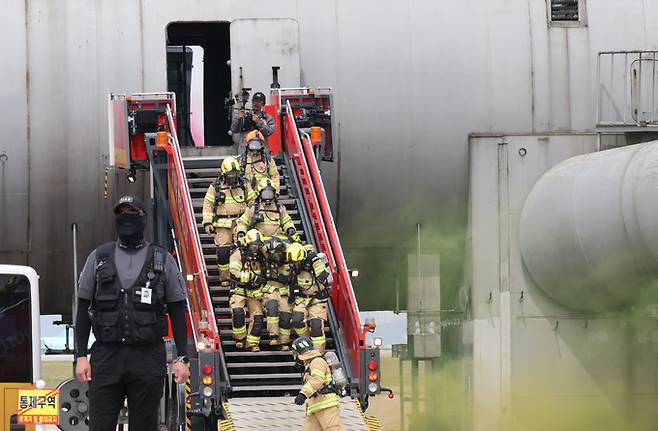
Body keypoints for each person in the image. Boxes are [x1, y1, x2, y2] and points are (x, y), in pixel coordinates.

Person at [74, 195, 190, 431]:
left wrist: (182, 358)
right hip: (107, 357)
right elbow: (83, 309)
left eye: (132, 213)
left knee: (145, 426)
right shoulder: (98, 258)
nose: (126, 219)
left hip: (147, 358)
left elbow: (178, 311)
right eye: (121, 213)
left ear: (143, 218)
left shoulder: (163, 260)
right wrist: (81, 355)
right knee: (100, 426)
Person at [202, 157, 255, 286]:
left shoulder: (243, 184)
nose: (233, 176)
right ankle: (225, 278)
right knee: (223, 252)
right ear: (224, 174)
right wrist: (208, 223)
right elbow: (208, 205)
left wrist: (252, 218)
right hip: (222, 224)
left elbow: (253, 202)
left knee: (242, 249)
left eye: (235, 173)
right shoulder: (216, 187)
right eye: (230, 174)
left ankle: (241, 276)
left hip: (240, 222)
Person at [292, 336, 344, 431]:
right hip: (315, 406)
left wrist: (303, 394)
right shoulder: (311, 363)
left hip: (326, 406)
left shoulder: (317, 362)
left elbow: (317, 379)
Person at [287, 243, 332, 353]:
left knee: (316, 326)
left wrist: (316, 263)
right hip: (301, 299)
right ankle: (307, 344)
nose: (295, 265)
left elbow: (324, 277)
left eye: (296, 262)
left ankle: (318, 353)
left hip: (316, 299)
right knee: (297, 321)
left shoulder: (313, 262)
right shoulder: (293, 265)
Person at [228, 229, 266, 352]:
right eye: (254, 245)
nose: (256, 247)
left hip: (254, 292)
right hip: (239, 289)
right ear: (248, 243)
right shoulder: (238, 254)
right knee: (238, 312)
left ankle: (252, 343)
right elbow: (234, 273)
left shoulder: (261, 256)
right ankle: (240, 339)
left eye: (258, 245)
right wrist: (252, 277)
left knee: (258, 317)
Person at [236, 178, 297, 243]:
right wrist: (241, 232)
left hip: (277, 240)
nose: (268, 197)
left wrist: (290, 228)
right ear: (260, 193)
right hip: (260, 241)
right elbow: (243, 222)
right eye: (265, 194)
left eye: (270, 194)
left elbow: (286, 221)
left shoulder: (279, 208)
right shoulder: (254, 208)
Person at [262, 236, 294, 350]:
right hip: (270, 289)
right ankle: (273, 336)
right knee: (271, 308)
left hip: (285, 291)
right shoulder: (266, 252)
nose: (274, 256)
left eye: (277, 254)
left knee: (286, 316)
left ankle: (284, 342)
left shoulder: (290, 255)